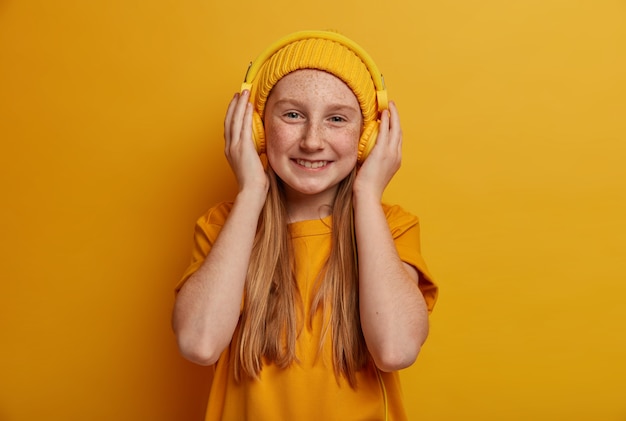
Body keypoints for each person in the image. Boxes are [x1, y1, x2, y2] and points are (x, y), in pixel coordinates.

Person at [172, 30, 438, 420]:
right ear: (257, 128)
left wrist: (367, 192)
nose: (312, 140)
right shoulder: (224, 226)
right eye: (293, 115)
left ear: (368, 136)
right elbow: (199, 342)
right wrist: (250, 193)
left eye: (337, 119)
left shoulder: (392, 228)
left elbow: (396, 349)